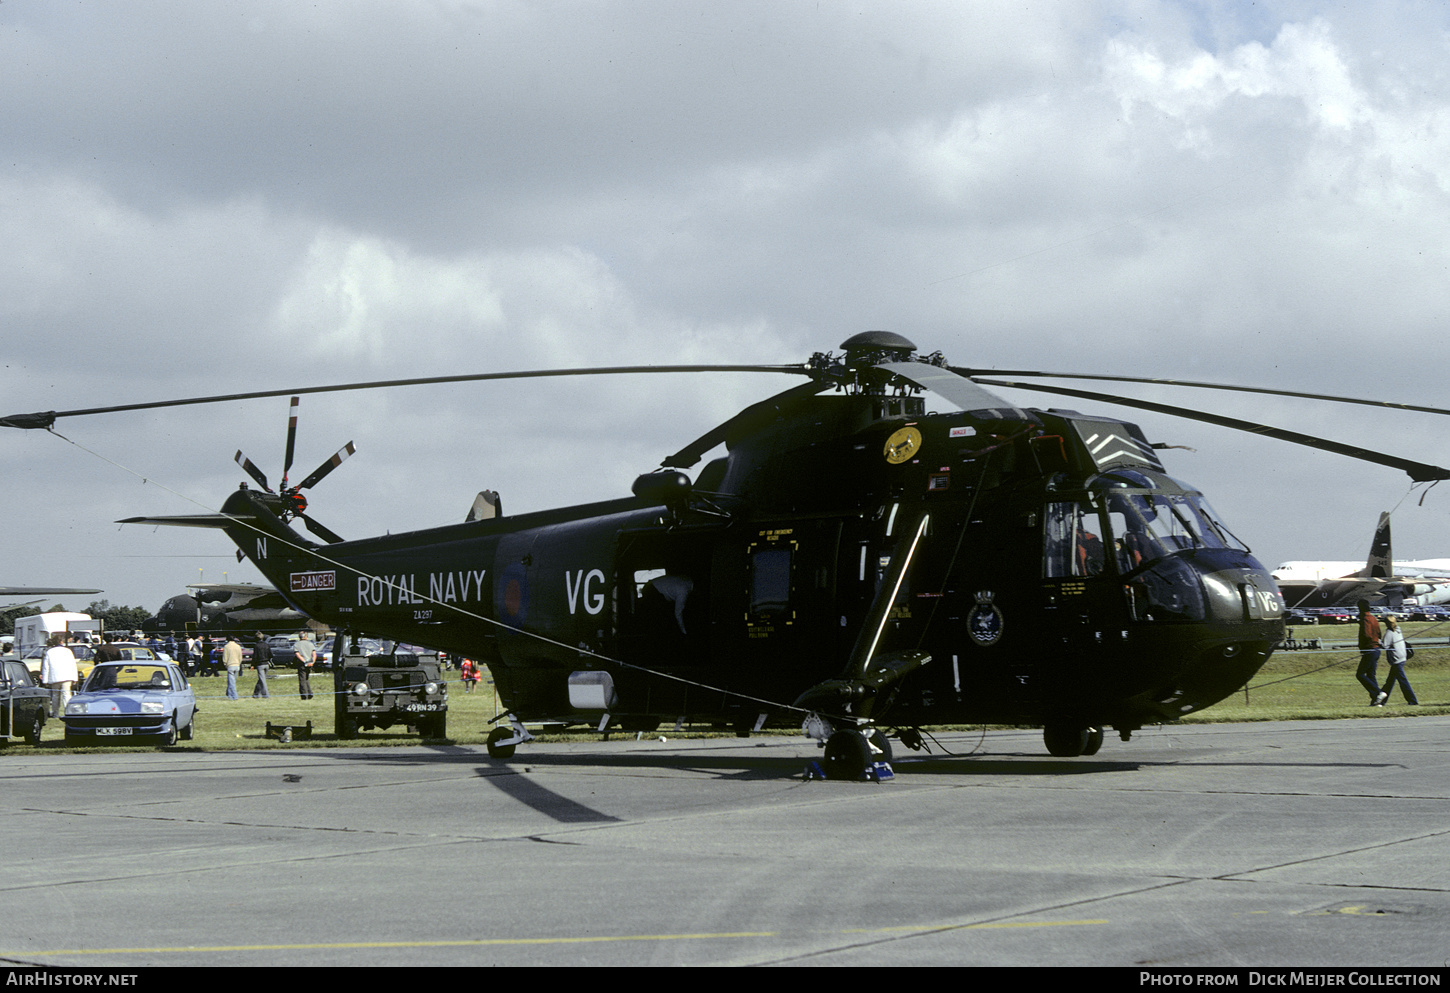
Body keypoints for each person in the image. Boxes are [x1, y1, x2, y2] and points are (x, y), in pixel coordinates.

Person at [1377, 615, 1418, 706]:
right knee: (1390, 681)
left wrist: (1377, 640)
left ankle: (1413, 701)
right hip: (1402, 657)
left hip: (1396, 659)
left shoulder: (1389, 632)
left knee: (1402, 681)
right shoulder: (1398, 630)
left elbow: (1385, 646)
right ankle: (1382, 701)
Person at [40, 634, 79, 718]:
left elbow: (46, 667)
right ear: (61, 642)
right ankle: (68, 712)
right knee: (66, 695)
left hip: (55, 677)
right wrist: (75, 677)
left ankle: (55, 713)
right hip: (67, 677)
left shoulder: (49, 652)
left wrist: (45, 680)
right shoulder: (67, 651)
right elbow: (73, 665)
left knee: (55, 696)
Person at [1355, 600, 1383, 704]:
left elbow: (1367, 634)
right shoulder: (1373, 618)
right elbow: (1379, 633)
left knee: (1360, 674)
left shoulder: (1365, 619)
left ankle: (1378, 692)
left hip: (1369, 649)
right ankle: (1376, 700)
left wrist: (1364, 645)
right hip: (1376, 649)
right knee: (1371, 675)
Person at [294, 631, 317, 700]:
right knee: (306, 678)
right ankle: (310, 693)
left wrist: (304, 661)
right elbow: (314, 654)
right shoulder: (311, 644)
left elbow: (297, 655)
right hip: (310, 663)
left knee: (302, 679)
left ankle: (304, 695)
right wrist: (312, 662)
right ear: (306, 636)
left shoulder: (296, 645)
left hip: (302, 663)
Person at [251, 631, 272, 698]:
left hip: (260, 664)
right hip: (266, 664)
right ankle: (256, 694)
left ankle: (265, 695)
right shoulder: (267, 645)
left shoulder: (256, 646)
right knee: (261, 679)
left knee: (263, 680)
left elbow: (255, 656)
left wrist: (252, 665)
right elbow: (270, 655)